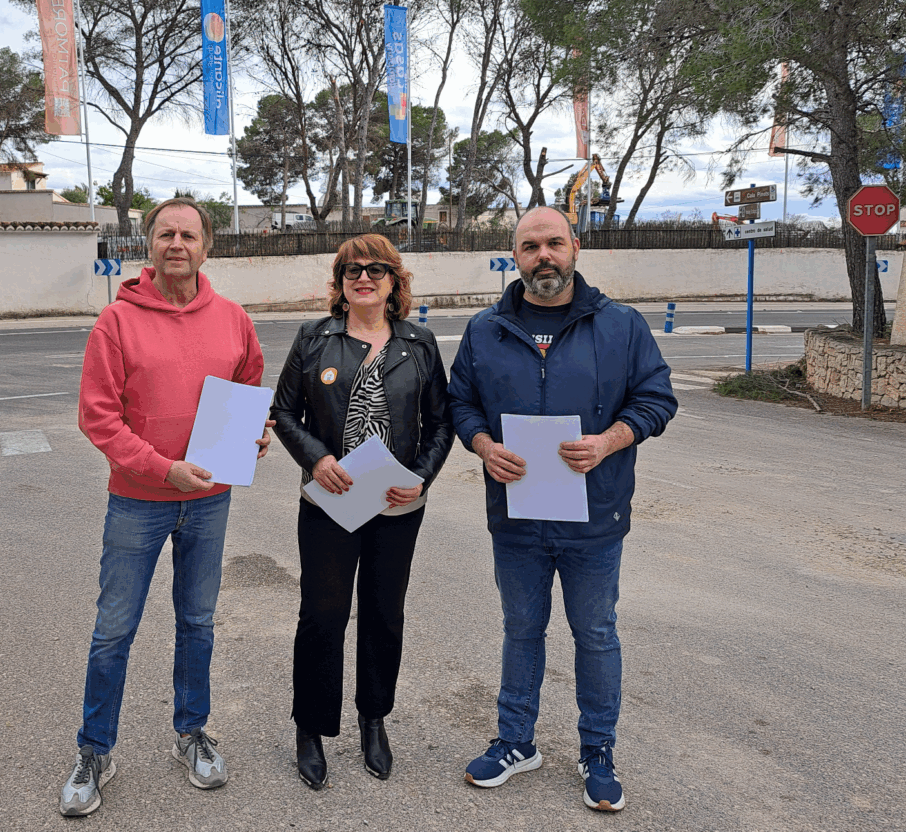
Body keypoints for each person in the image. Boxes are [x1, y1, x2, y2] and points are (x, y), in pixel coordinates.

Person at [446, 206, 677, 813]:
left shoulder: (621, 325)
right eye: (529, 246)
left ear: (576, 246)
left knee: (595, 635)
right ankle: (516, 742)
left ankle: (597, 750)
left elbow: (657, 398)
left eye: (553, 243)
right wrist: (483, 446)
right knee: (521, 630)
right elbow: (460, 402)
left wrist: (610, 440)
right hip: (517, 517)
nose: (542, 256)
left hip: (595, 521)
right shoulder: (486, 329)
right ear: (513, 256)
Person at [61, 197, 273, 817]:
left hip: (209, 502)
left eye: (188, 234)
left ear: (207, 247)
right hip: (138, 500)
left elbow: (247, 391)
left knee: (197, 623)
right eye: (164, 234)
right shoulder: (116, 323)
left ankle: (192, 733)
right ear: (147, 245)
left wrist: (254, 435)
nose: (176, 243)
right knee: (113, 631)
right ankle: (95, 749)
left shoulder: (233, 319)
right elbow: (97, 417)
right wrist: (163, 469)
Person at [271, 234, 454, 789]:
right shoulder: (314, 339)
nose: (363, 277)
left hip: (397, 506)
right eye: (352, 270)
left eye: (376, 269)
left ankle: (374, 720)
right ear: (340, 282)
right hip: (329, 501)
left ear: (395, 280)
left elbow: (442, 423)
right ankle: (311, 728)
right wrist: (316, 457)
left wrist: (421, 476)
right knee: (322, 615)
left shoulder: (419, 344)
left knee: (382, 614)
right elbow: (284, 411)